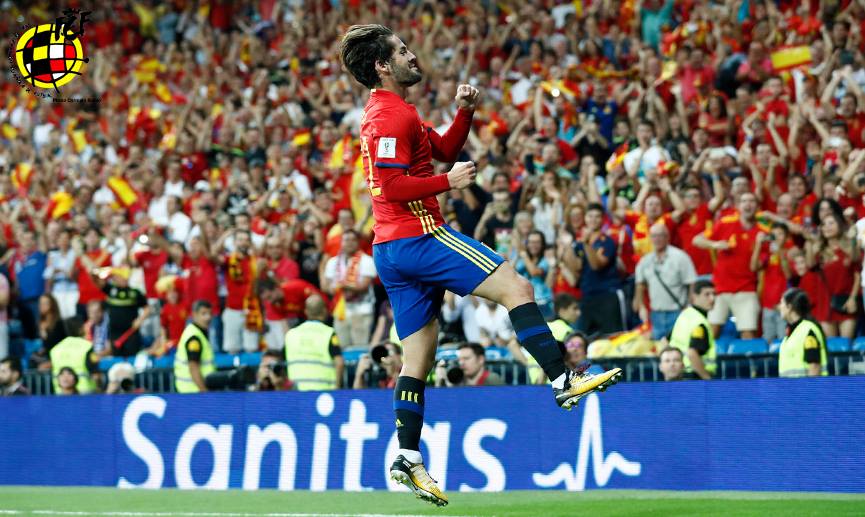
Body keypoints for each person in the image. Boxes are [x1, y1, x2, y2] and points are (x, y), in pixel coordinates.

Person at [340, 24, 621, 506]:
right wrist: (447, 183)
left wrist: (464, 113)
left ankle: (407, 456)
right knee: (517, 289)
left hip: (391, 249)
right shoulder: (390, 116)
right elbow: (389, 187)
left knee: (417, 358)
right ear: (382, 66)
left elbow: (443, 151)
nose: (412, 55)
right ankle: (563, 380)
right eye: (402, 51)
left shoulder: (393, 112)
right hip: (419, 235)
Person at [693, 192, 761, 339]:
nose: (748, 205)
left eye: (752, 201)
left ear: (757, 206)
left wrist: (759, 245)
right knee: (712, 332)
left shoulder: (762, 232)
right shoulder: (725, 223)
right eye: (744, 201)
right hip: (719, 289)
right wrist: (715, 244)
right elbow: (697, 240)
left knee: (748, 333)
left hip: (746, 289)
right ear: (738, 206)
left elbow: (756, 267)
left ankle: (748, 355)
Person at [634, 223, 697, 340]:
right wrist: (641, 306)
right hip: (656, 314)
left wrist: (689, 307)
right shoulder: (645, 261)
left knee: (679, 343)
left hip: (677, 312)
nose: (657, 239)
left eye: (660, 235)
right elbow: (640, 285)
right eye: (654, 236)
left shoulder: (680, 257)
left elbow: (691, 283)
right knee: (658, 346)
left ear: (667, 237)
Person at [575, 203, 627, 336]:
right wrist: (566, 247)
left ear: (603, 219)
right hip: (587, 295)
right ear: (585, 218)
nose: (593, 219)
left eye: (597, 216)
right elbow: (576, 268)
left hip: (608, 295)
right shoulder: (579, 243)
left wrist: (586, 243)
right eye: (590, 216)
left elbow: (596, 265)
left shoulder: (608, 241)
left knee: (613, 336)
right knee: (584, 337)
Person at [322, 229, 378, 349]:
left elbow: (363, 286)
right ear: (341, 242)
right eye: (347, 240)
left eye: (353, 240)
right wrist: (334, 289)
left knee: (360, 347)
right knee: (341, 347)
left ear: (358, 242)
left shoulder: (367, 260)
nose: (350, 243)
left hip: (362, 311)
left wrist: (342, 286)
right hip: (340, 312)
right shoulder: (333, 262)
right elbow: (327, 287)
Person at [283, 294, 344, 391]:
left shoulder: (290, 334)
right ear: (324, 311)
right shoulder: (329, 333)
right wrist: (337, 387)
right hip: (324, 392)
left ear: (306, 312)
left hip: (296, 392)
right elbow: (339, 362)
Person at [667, 279, 717, 380]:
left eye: (714, 294)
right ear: (694, 297)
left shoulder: (685, 315)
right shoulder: (700, 323)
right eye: (707, 294)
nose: (712, 298)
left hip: (680, 375)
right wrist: (707, 379)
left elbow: (664, 341)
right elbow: (692, 353)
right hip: (695, 376)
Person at [777, 288, 828, 377]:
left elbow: (814, 367)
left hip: (805, 386)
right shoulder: (790, 333)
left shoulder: (808, 330)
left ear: (789, 307)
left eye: (782, 303)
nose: (779, 306)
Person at [174, 300, 217, 393]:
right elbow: (193, 367)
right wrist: (204, 391)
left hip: (192, 391)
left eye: (210, 313)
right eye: (203, 314)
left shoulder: (197, 332)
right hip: (193, 392)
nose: (208, 317)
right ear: (194, 315)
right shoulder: (194, 337)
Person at [50, 319, 101, 395]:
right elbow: (95, 372)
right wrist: (99, 388)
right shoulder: (87, 346)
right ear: (80, 329)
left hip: (60, 392)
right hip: (85, 392)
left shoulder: (55, 349)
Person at [434, 342, 505, 387]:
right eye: (459, 359)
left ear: (481, 359)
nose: (461, 363)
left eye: (466, 358)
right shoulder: (459, 380)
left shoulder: (493, 380)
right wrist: (440, 382)